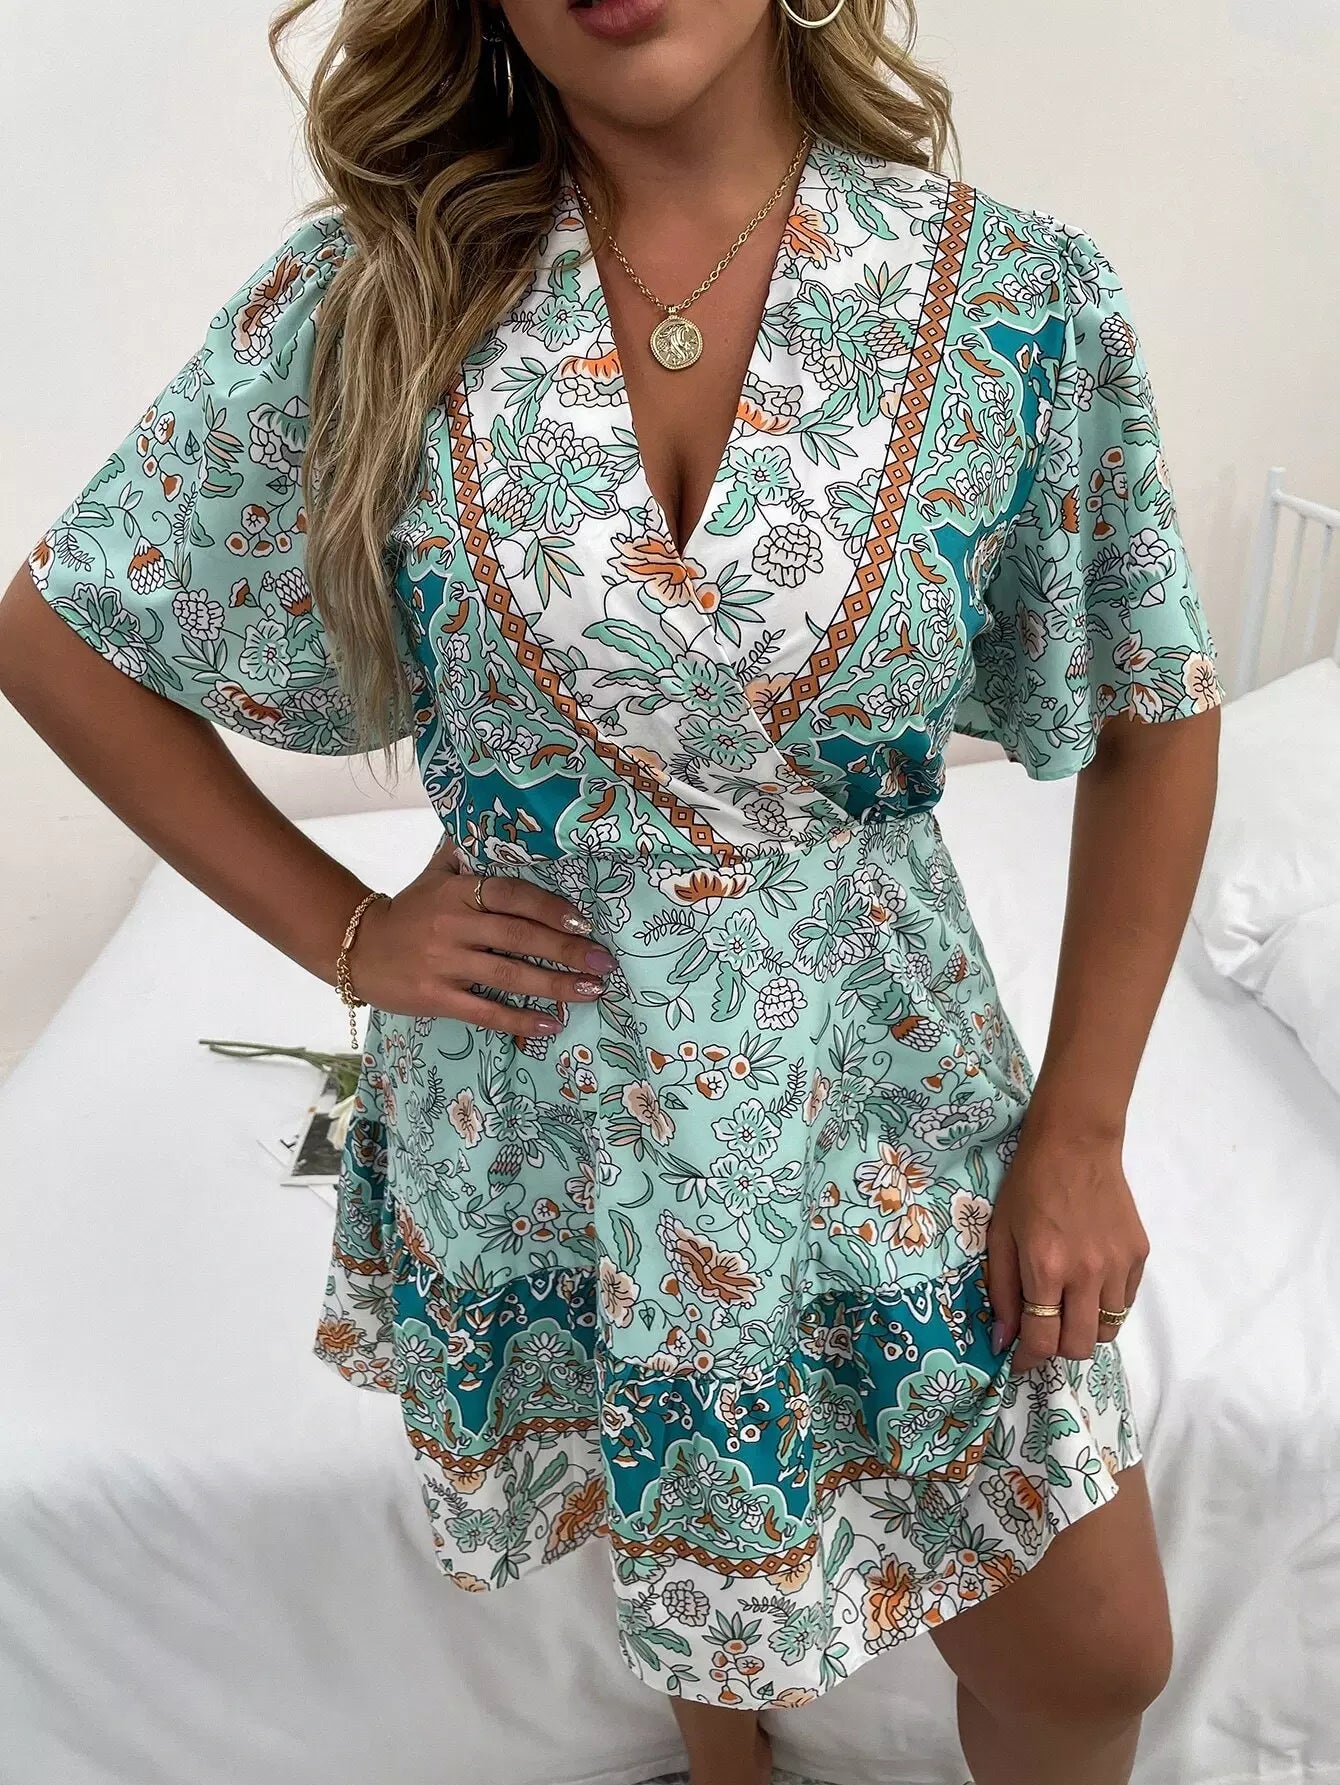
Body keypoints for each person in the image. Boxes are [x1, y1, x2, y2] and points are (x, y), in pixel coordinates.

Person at [0, 0, 1225, 1780]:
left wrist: (1085, 1130)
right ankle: (723, 1756)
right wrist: (349, 930)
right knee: (668, 1475)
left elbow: (1153, 715)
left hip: (871, 1084)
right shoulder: (382, 293)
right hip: (551, 1099)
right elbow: (59, 636)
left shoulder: (1017, 304)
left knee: (1097, 1652)